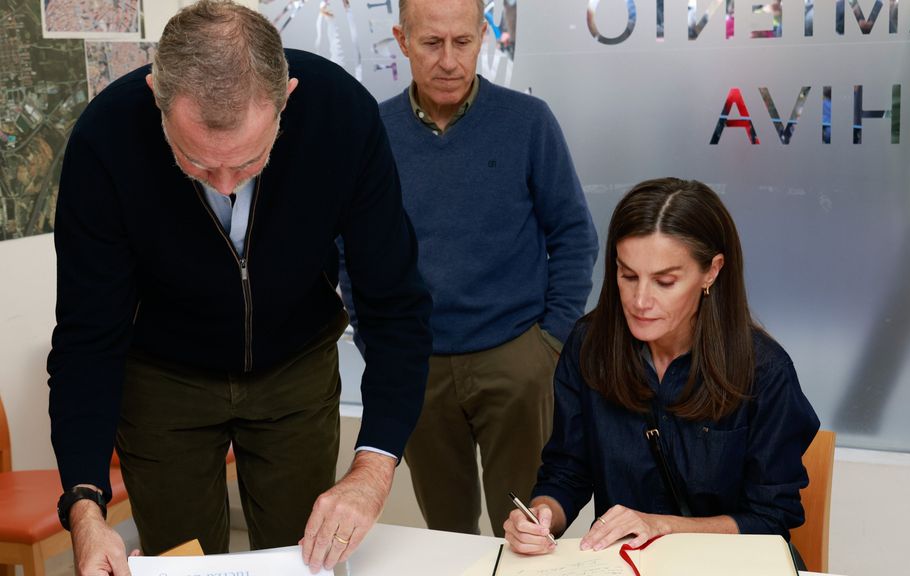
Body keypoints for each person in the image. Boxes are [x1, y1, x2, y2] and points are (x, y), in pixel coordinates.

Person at [46, 1, 431, 574]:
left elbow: (394, 305)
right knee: (180, 560)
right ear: (157, 98)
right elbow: (86, 338)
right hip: (162, 378)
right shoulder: (105, 141)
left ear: (286, 98)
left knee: (307, 554)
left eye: (250, 161)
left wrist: (373, 470)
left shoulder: (340, 115)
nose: (225, 185)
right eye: (196, 163)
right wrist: (85, 506)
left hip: (295, 368)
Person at [348, 0, 598, 537]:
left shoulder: (528, 122)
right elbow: (350, 252)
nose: (449, 60)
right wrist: (378, 343)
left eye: (462, 42)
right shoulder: (372, 132)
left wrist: (548, 344)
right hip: (416, 365)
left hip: (516, 358)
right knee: (446, 530)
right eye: (431, 43)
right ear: (402, 40)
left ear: (482, 36)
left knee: (528, 527)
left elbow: (574, 236)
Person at [503, 178, 819, 559]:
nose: (639, 300)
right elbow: (567, 470)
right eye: (627, 275)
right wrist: (541, 516)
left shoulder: (765, 370)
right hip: (625, 564)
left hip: (728, 564)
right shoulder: (589, 346)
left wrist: (663, 526)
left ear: (712, 271)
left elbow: (771, 519)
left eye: (664, 281)